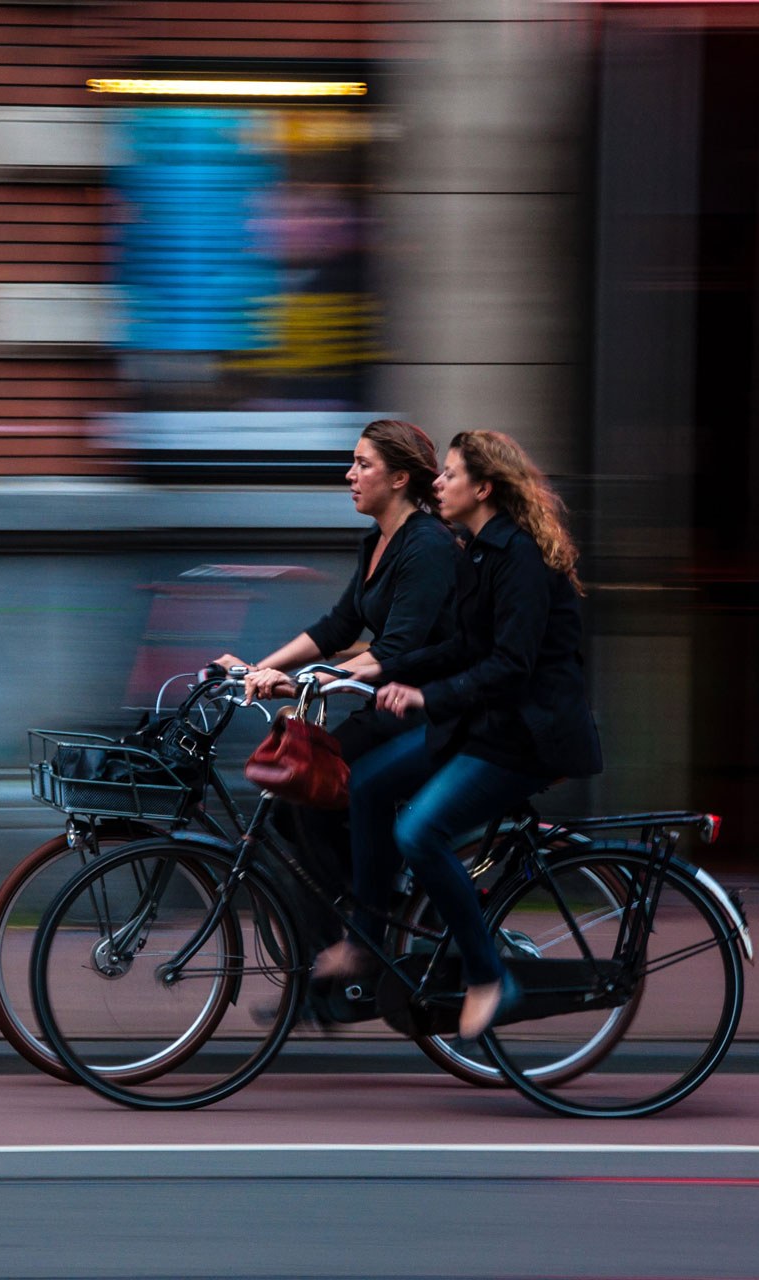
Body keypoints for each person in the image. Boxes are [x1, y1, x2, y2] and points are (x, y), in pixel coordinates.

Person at [314, 430, 603, 1040]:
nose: (437, 485)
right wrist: (386, 669)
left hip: (526, 737)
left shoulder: (518, 556)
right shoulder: (476, 549)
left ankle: (489, 976)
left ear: (484, 487)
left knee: (418, 831)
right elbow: (463, 645)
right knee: (364, 784)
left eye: (449, 475)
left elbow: (510, 665)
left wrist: (425, 695)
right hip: (481, 725)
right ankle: (366, 942)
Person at [214, 419, 459, 946]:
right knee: (293, 805)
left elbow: (396, 650)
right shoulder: (378, 540)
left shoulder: (428, 545)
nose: (349, 475)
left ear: (398, 479)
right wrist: (261, 667)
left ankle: (360, 934)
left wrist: (310, 680)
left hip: (427, 711)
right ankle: (366, 919)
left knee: (308, 795)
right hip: (385, 707)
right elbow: (338, 627)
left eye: (363, 464)